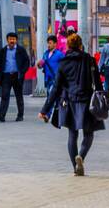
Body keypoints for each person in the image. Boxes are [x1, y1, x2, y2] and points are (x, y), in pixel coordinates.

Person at [39, 33, 105, 176]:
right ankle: (81, 156)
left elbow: (56, 88)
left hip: (68, 102)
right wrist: (103, 100)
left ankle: (75, 167)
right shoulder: (90, 60)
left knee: (72, 134)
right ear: (81, 45)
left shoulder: (63, 63)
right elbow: (98, 84)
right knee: (89, 133)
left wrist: (45, 110)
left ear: (68, 46)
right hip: (87, 101)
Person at [0, 31, 31, 122]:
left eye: (14, 39)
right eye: (10, 39)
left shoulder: (21, 50)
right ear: (7, 40)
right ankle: (1, 115)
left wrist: (22, 72)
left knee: (19, 96)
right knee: (4, 95)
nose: (12, 41)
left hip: (17, 76)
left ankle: (20, 115)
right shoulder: (2, 51)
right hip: (6, 76)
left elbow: (27, 62)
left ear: (16, 40)